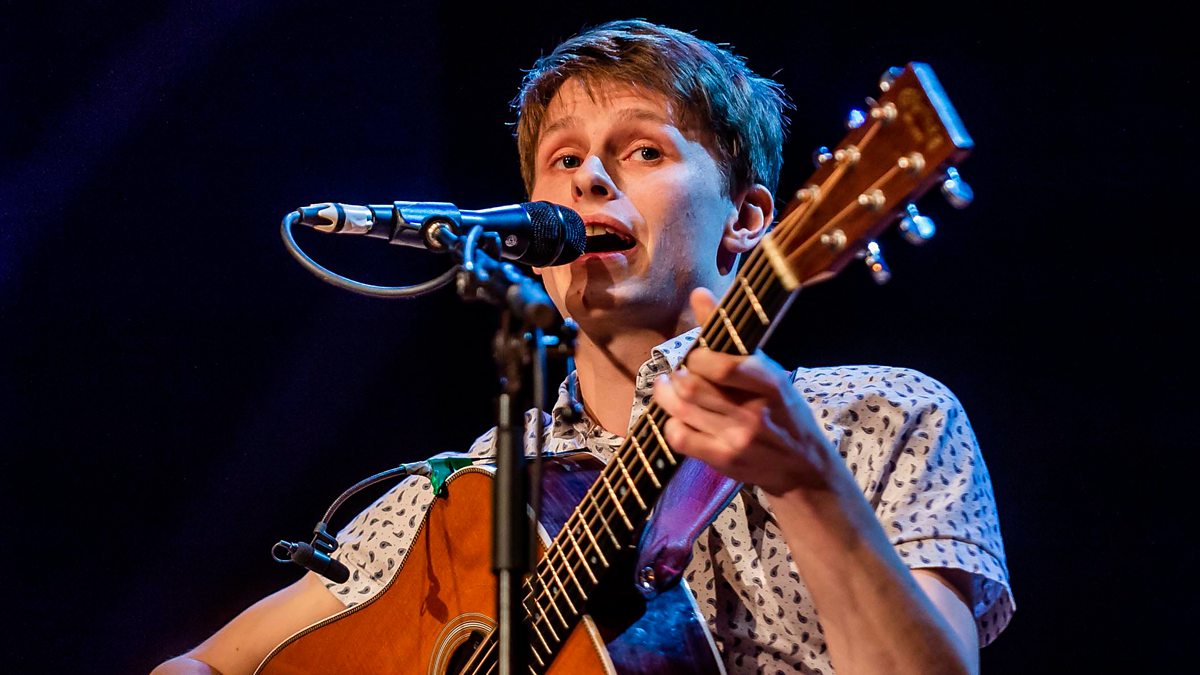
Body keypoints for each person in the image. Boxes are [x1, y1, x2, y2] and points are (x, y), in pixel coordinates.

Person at [153, 19, 1013, 675]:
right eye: (563, 159)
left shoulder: (879, 416)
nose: (589, 178)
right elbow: (198, 667)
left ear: (750, 218)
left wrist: (808, 482)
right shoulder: (463, 500)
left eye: (643, 149)